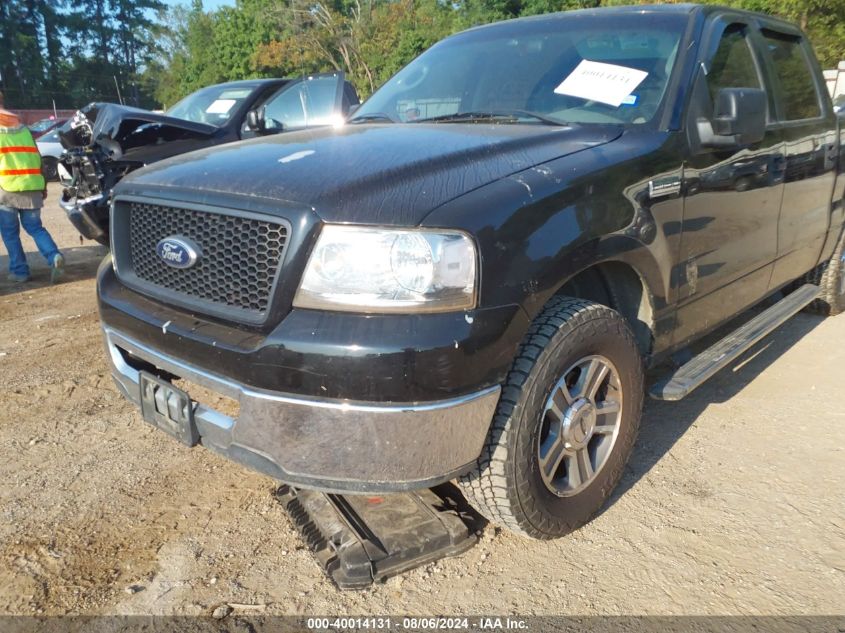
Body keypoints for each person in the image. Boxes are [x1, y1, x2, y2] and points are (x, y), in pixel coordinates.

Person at [0, 90, 64, 283]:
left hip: (7, 189)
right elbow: (37, 157)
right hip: (32, 185)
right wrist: (43, 185)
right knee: (36, 228)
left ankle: (20, 272)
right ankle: (54, 256)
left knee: (10, 233)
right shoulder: (23, 128)